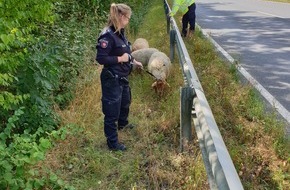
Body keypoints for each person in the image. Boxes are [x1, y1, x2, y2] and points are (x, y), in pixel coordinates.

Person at [96, 3, 143, 151]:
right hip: (112, 78)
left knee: (125, 102)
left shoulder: (120, 33)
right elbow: (101, 58)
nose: (128, 21)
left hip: (122, 76)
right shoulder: (107, 35)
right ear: (121, 17)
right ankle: (113, 143)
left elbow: (123, 52)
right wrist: (121, 60)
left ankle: (123, 124)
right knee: (112, 110)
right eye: (128, 18)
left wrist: (133, 60)